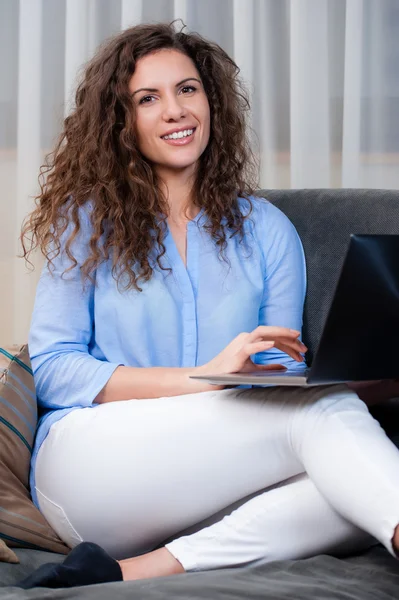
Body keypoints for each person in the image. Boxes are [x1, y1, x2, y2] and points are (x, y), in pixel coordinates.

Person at [20, 21, 399, 589]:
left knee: (344, 491)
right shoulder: (86, 223)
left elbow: (280, 378)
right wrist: (207, 380)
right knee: (325, 424)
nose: (175, 110)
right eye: (149, 98)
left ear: (211, 102)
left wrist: (378, 384)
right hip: (92, 464)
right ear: (122, 123)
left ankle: (127, 572)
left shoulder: (269, 231)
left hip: (211, 477)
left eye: (188, 89)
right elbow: (53, 370)